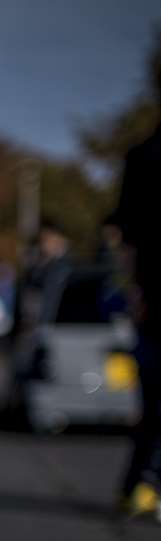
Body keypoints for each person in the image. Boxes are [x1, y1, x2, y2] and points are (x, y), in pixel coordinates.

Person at [113, 79, 159, 518]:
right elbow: (130, 240)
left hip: (150, 297)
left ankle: (138, 482)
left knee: (150, 400)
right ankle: (144, 482)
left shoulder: (142, 155)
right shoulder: (146, 157)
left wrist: (135, 291)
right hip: (153, 297)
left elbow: (128, 241)